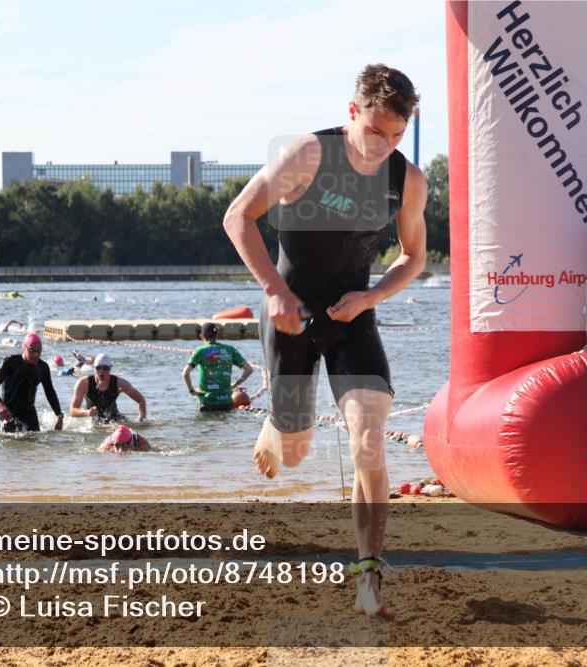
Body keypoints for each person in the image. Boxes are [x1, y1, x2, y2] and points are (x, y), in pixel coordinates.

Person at [222, 64, 428, 619]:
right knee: (295, 452)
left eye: (396, 136)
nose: (384, 146)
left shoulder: (407, 180)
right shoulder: (309, 154)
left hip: (350, 316)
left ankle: (369, 578)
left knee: (369, 439)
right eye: (375, 132)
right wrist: (272, 290)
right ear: (352, 112)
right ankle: (278, 424)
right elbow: (238, 216)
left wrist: (370, 298)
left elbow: (414, 256)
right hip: (289, 313)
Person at [0, 332, 64, 433]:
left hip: (30, 415)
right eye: (32, 350)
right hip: (9, 414)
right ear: (24, 347)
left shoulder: (42, 367)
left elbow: (50, 392)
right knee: (9, 445)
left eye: (39, 351)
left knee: (35, 446)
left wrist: (59, 415)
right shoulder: (10, 363)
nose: (35, 355)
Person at [182, 322, 254, 411]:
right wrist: (236, 384)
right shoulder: (230, 349)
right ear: (217, 335)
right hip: (226, 402)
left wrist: (192, 391)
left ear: (201, 336)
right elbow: (249, 370)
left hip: (207, 402)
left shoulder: (199, 351)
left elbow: (185, 373)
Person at [69, 352, 147, 424]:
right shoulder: (84, 383)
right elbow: (72, 410)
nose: (101, 371)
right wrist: (88, 412)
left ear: (110, 369)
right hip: (93, 422)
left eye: (105, 368)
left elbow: (141, 401)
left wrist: (142, 421)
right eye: (98, 368)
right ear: (94, 368)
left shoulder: (119, 383)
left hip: (115, 421)